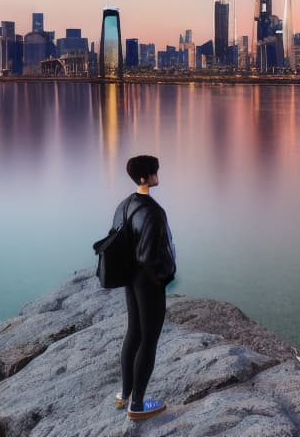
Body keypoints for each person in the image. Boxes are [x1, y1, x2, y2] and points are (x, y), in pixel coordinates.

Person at [113, 155, 176, 421]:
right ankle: (137, 406)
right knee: (148, 341)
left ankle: (124, 394)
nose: (157, 173)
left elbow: (117, 238)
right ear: (144, 177)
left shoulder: (124, 205)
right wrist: (162, 278)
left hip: (130, 278)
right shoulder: (152, 211)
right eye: (154, 171)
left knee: (134, 334)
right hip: (148, 282)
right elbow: (150, 255)